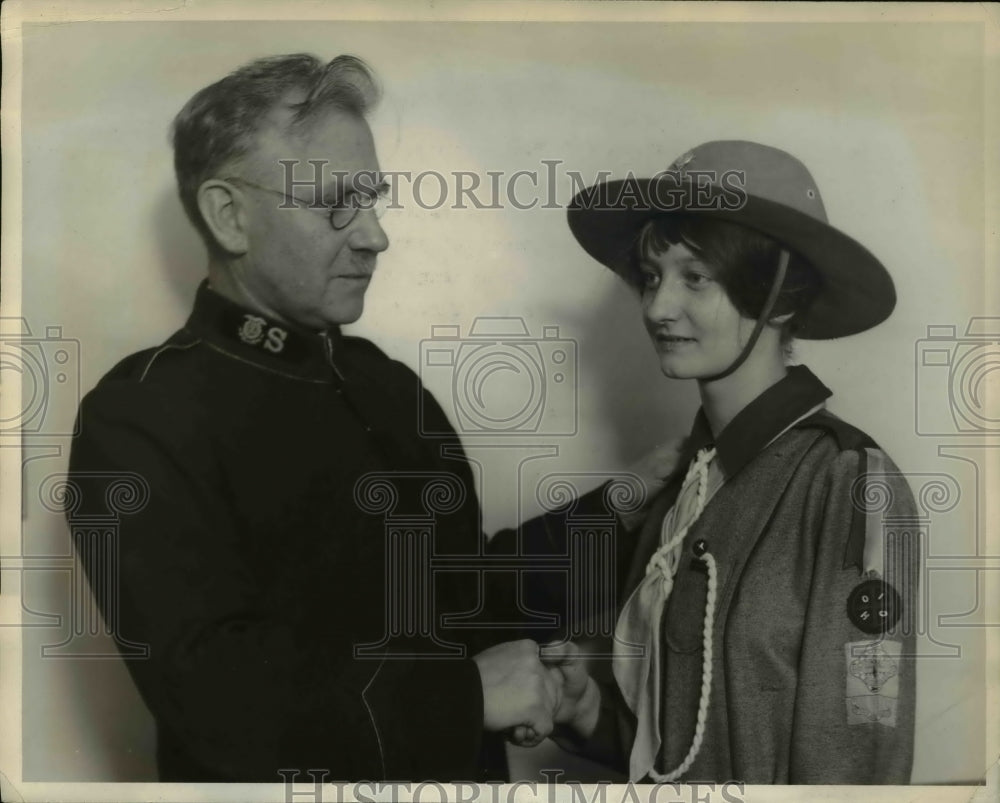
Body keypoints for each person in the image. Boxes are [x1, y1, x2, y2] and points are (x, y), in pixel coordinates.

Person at [66, 53, 591, 782]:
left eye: (372, 198)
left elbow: (454, 599)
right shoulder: (140, 416)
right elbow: (218, 696)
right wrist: (467, 694)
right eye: (335, 202)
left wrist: (622, 519)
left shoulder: (387, 384)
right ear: (229, 215)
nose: (376, 235)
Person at [514, 140, 920, 784]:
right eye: (651, 277)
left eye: (694, 278)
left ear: (780, 299)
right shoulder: (683, 491)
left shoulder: (849, 482)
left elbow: (860, 755)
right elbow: (680, 751)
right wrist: (587, 712)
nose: (656, 307)